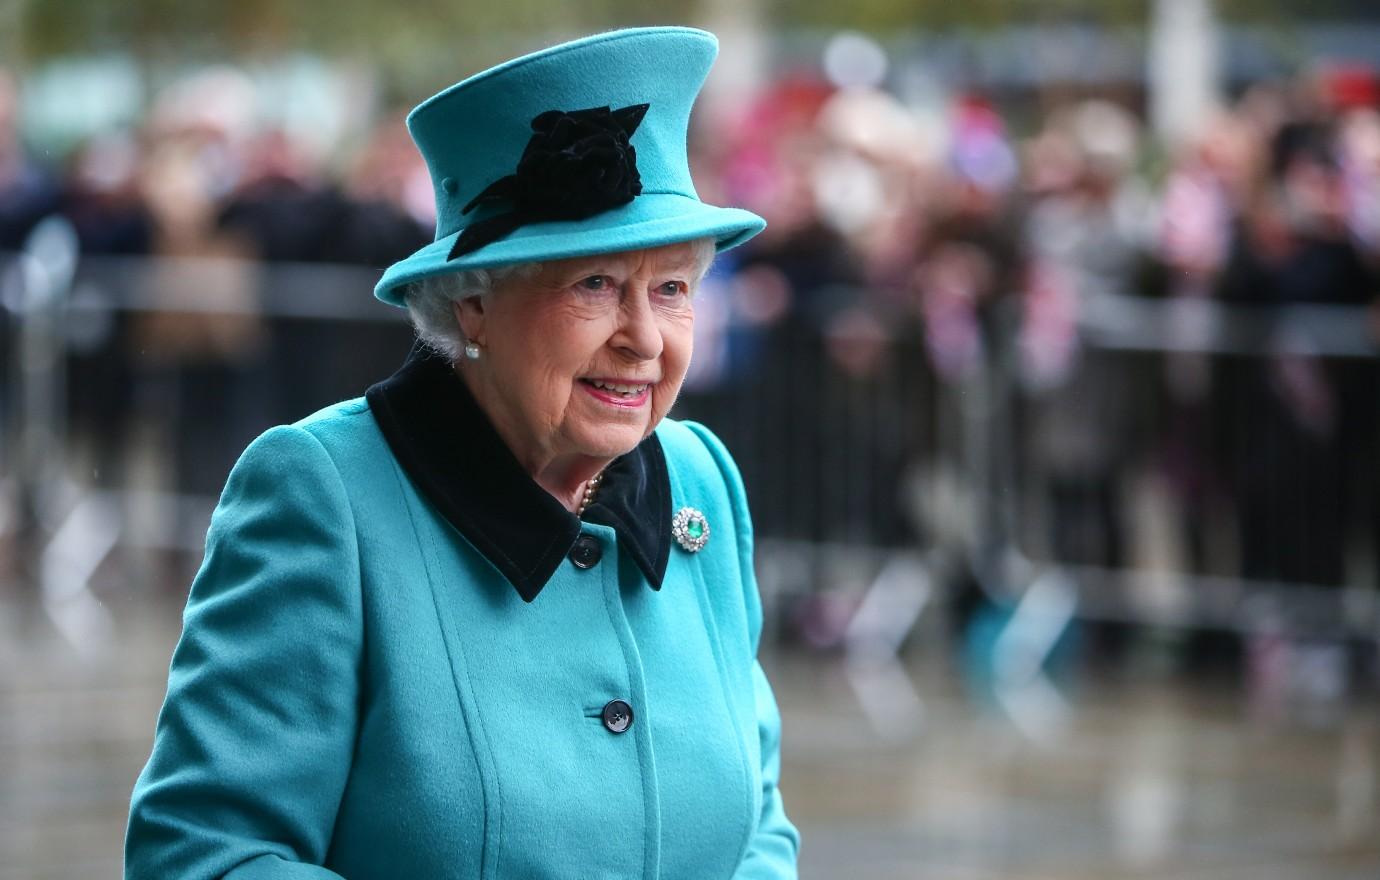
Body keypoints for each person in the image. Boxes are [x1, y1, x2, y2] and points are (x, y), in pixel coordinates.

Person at [125, 27, 800, 879]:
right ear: (472, 304)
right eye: (595, 285)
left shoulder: (701, 477)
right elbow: (205, 856)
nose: (644, 339)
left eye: (671, 289)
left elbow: (760, 827)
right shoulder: (324, 497)